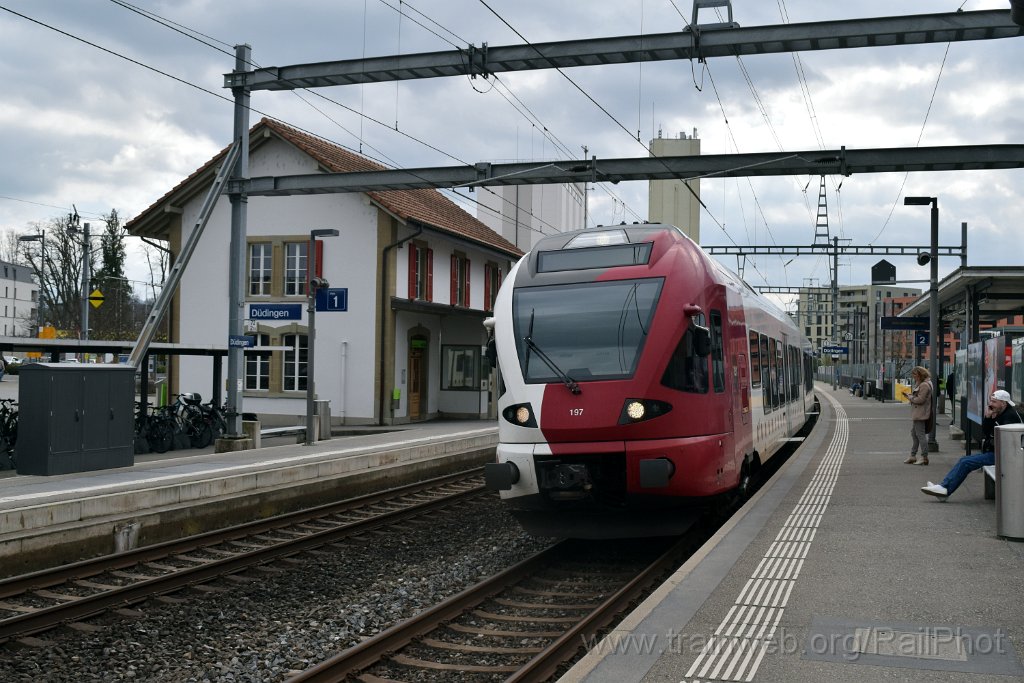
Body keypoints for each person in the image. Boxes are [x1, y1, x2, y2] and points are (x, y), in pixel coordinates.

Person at [921, 390, 1023, 499]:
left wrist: (991, 424)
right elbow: (987, 432)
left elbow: (1003, 439)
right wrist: (988, 418)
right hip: (998, 452)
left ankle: (944, 489)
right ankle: (944, 488)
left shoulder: (1010, 417)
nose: (990, 404)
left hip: (1006, 455)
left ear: (1003, 403)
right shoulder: (999, 413)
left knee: (966, 462)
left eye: (994, 402)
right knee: (964, 461)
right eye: (991, 401)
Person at [905, 366, 933, 465]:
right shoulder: (922, 383)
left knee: (920, 435)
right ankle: (913, 455)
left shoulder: (924, 385)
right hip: (919, 413)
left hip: (921, 414)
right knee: (914, 433)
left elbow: (920, 400)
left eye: (915, 375)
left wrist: (910, 397)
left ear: (920, 375)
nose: (914, 377)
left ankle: (924, 457)